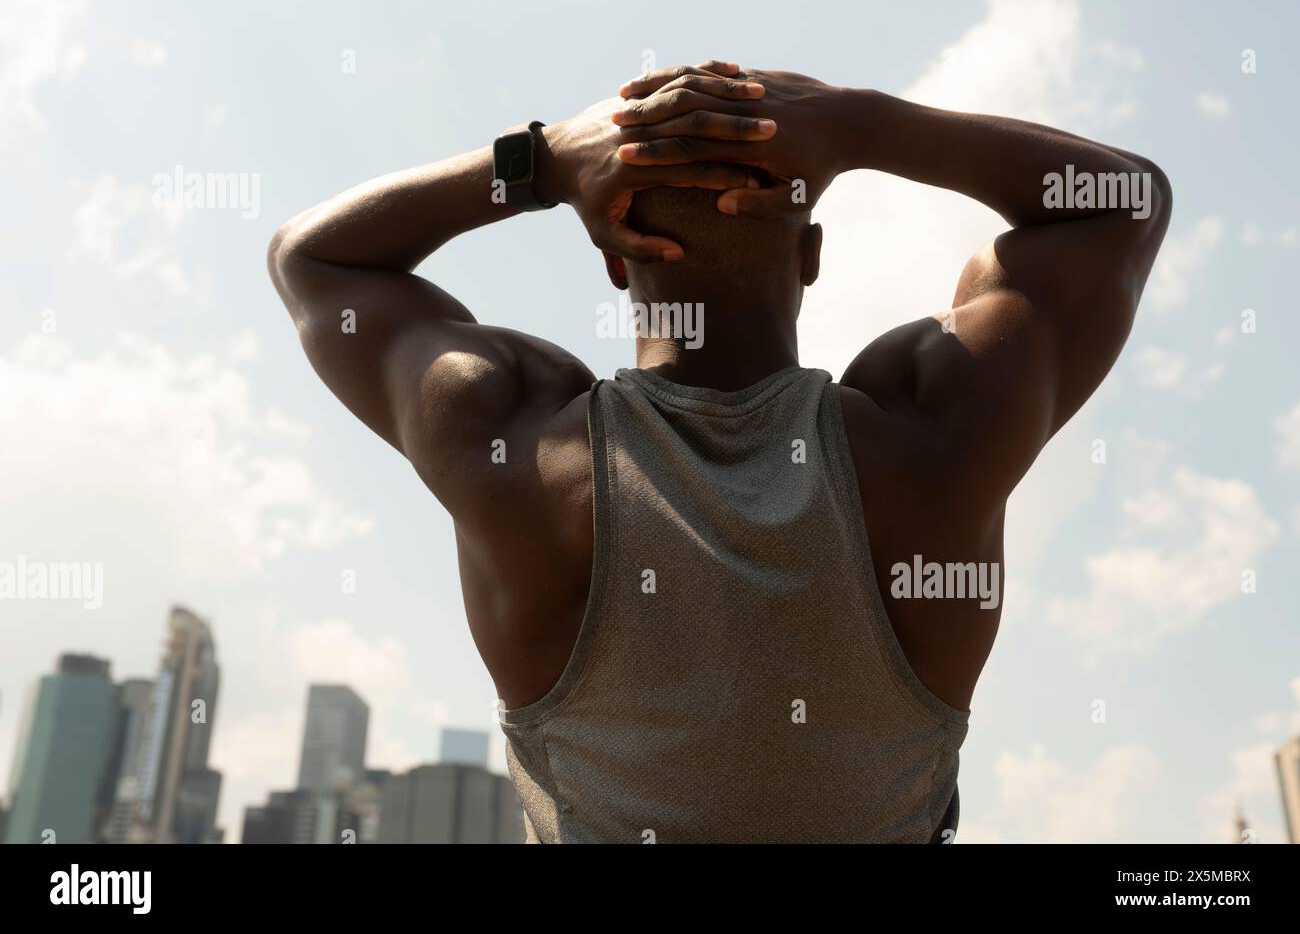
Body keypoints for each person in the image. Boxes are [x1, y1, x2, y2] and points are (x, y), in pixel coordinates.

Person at [268, 60, 1171, 842]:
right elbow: (1122, 203)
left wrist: (536, 164)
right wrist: (858, 122)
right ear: (810, 252)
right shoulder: (932, 431)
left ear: (616, 258)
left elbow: (316, 261)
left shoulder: (513, 442)